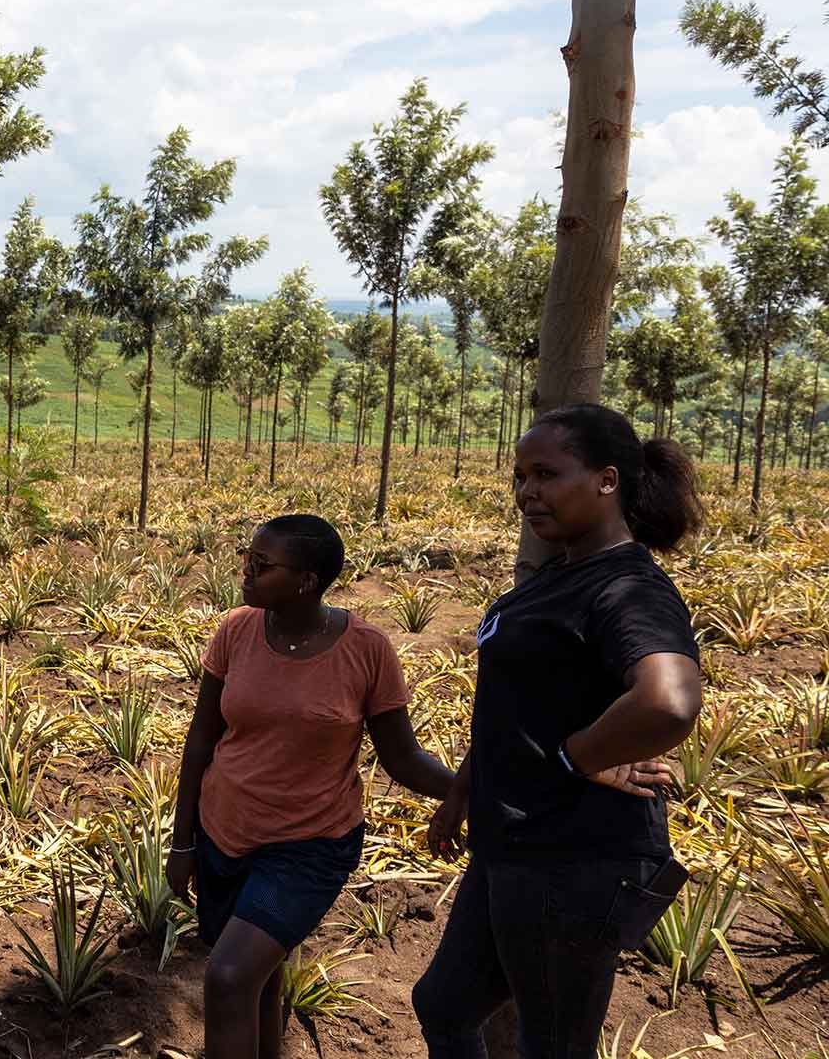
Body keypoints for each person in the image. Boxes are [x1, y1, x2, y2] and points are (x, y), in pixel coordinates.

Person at [413, 404, 704, 1058]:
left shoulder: (627, 587)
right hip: (515, 845)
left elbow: (669, 700)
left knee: (553, 1046)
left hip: (574, 859)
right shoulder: (561, 574)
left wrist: (575, 760)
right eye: (519, 476)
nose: (527, 492)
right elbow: (518, 709)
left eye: (546, 473)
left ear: (607, 480)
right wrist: (463, 794)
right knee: (444, 1005)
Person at [167, 514, 455, 1059]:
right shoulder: (237, 630)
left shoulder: (366, 649)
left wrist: (470, 787)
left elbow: (403, 757)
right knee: (261, 976)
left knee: (229, 977)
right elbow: (201, 740)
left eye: (261, 564)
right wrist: (184, 842)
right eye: (246, 558)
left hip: (307, 846)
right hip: (223, 834)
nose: (245, 572)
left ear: (306, 580)